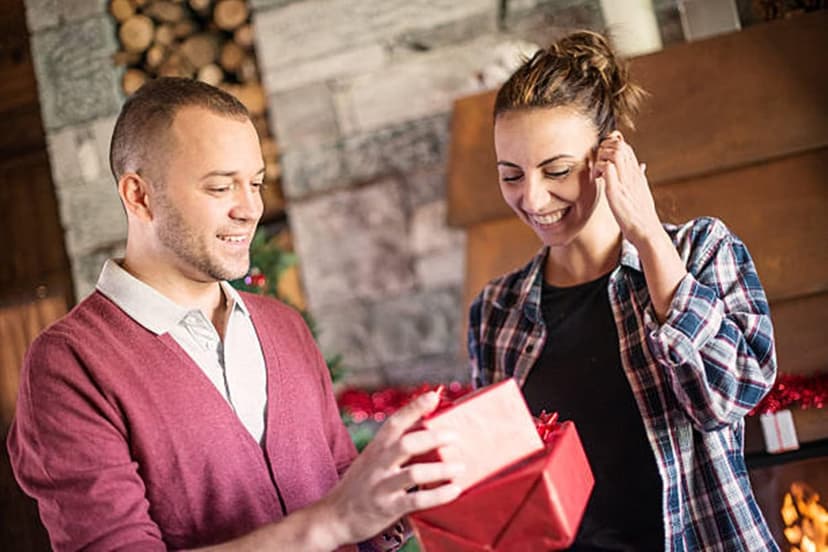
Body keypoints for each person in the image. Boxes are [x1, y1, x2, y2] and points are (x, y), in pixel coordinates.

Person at [7, 77, 464, 551]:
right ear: (139, 196)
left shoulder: (284, 325)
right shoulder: (68, 365)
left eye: (256, 184)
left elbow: (344, 485)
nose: (250, 209)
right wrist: (331, 523)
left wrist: (403, 500)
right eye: (221, 187)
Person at [467, 31, 778, 550]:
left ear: (611, 156)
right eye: (511, 175)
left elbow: (729, 397)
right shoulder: (496, 310)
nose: (533, 198)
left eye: (557, 170)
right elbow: (506, 482)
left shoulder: (701, 251)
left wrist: (650, 235)